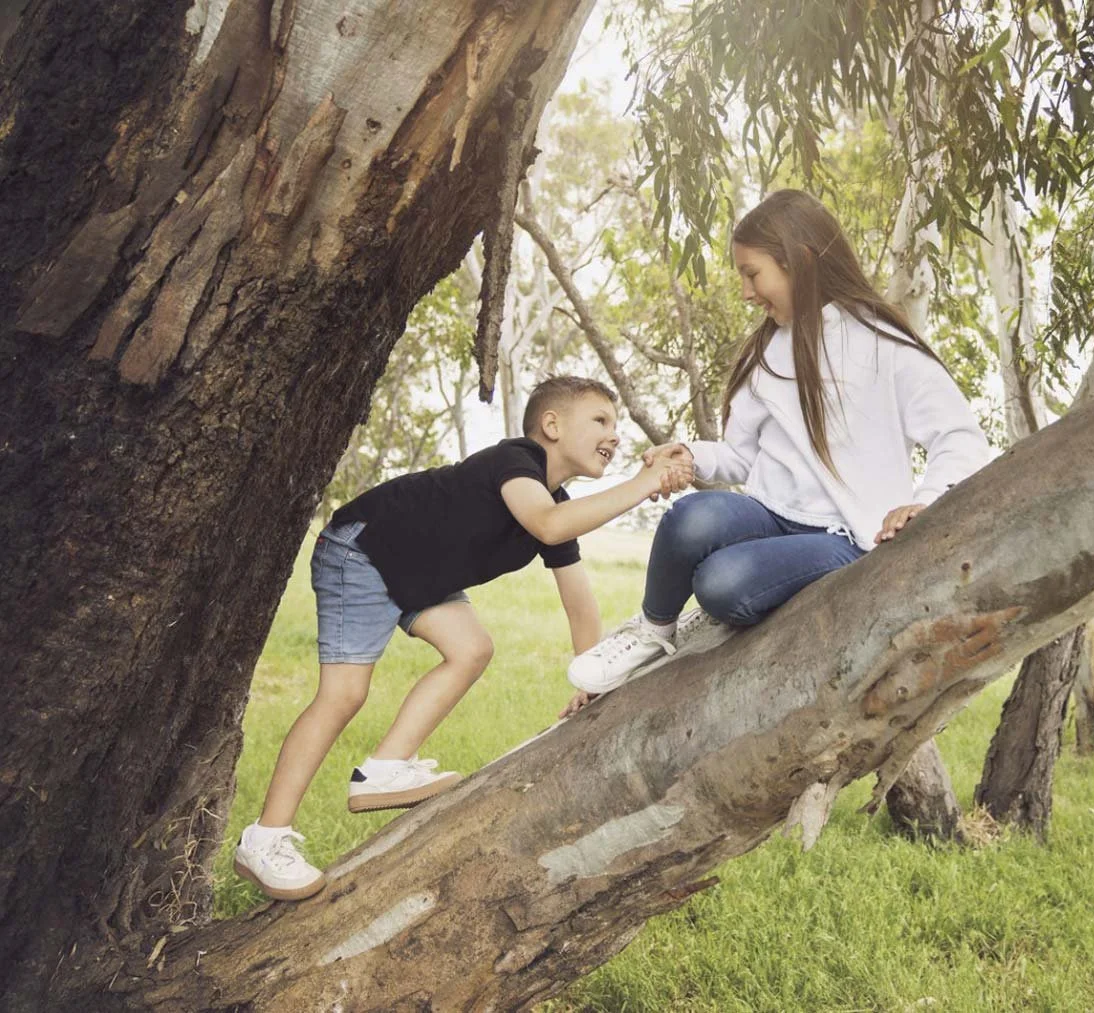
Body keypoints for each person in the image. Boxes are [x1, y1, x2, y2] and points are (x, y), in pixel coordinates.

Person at [232, 376, 692, 901]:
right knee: (343, 695)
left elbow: (578, 599)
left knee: (472, 649)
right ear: (552, 425)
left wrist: (593, 678)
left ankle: (384, 769)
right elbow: (548, 524)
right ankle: (264, 839)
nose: (614, 434)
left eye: (616, 424)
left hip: (415, 572)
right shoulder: (515, 461)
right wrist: (643, 483)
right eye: (601, 420)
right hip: (363, 550)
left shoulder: (555, 499)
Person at [565, 190, 989, 704]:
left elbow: (958, 436)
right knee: (688, 518)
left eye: (752, 274)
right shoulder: (767, 351)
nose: (746, 293)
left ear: (800, 260)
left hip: (846, 537)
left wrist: (925, 502)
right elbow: (740, 457)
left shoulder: (882, 343)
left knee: (720, 583)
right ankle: (653, 632)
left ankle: (740, 592)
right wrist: (691, 456)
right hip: (770, 514)